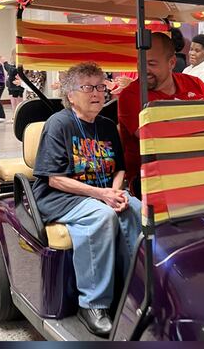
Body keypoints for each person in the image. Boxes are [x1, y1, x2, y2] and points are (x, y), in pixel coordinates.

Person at [32, 62, 141, 337]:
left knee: (136, 208)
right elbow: (54, 179)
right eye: (88, 87)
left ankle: (133, 291)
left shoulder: (106, 125)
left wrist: (115, 192)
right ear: (71, 95)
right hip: (61, 196)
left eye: (101, 87)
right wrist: (102, 195)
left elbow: (119, 168)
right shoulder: (59, 124)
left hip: (101, 191)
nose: (97, 93)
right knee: (101, 216)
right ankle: (93, 303)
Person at [117, 32, 204, 196]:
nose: (144, 70)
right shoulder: (131, 95)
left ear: (172, 63)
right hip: (149, 177)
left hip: (196, 168)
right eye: (140, 63)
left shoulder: (195, 84)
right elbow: (156, 141)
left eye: (151, 64)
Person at [3, 49, 25, 122]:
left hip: (18, 87)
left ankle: (19, 117)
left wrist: (5, 63)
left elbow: (12, 70)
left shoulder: (20, 65)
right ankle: (15, 117)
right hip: (12, 87)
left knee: (19, 103)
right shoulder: (13, 65)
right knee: (14, 103)